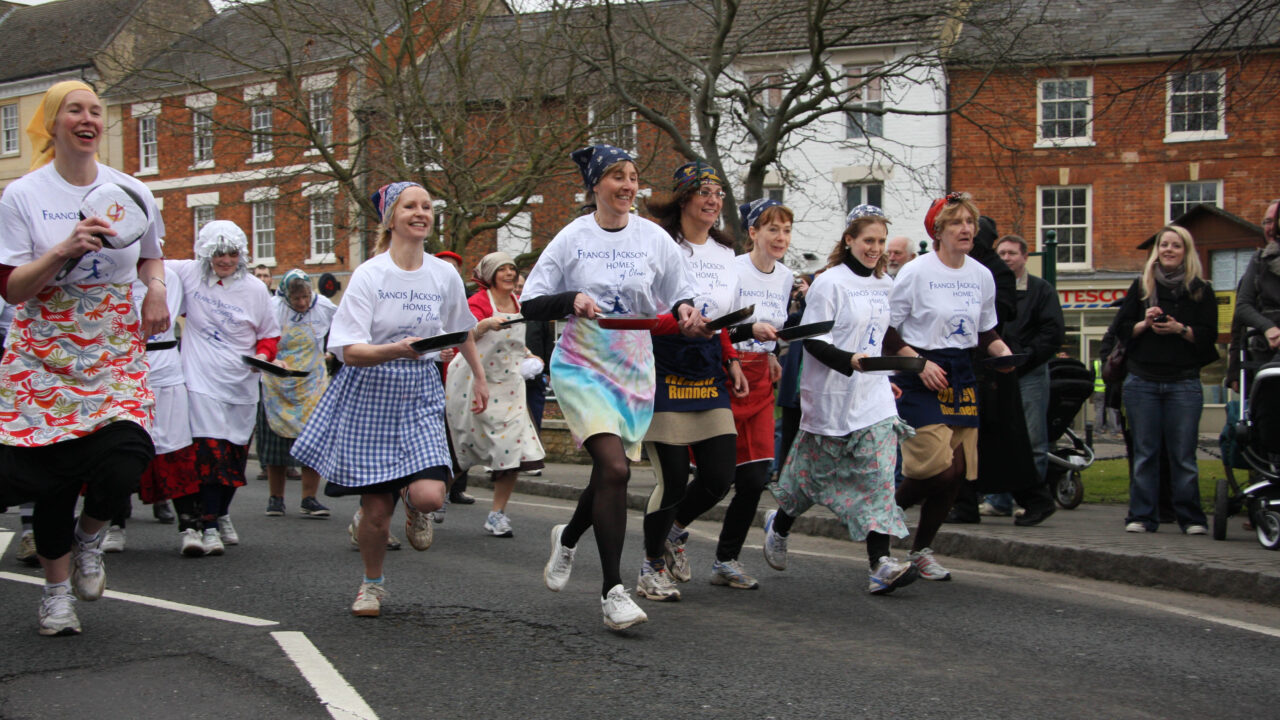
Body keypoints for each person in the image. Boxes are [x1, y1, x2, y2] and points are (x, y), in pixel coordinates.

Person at [0, 80, 167, 635]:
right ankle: (54, 595)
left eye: (96, 110)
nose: (89, 118)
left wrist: (159, 291)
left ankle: (91, 537)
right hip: (44, 347)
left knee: (128, 453)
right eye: (75, 110)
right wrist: (63, 249)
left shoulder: (129, 189)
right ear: (53, 122)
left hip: (111, 341)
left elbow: (150, 258)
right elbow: (13, 289)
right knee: (53, 481)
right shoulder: (23, 195)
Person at [521, 144, 702, 630]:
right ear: (595, 186)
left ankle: (568, 537)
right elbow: (530, 302)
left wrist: (684, 310)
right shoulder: (571, 238)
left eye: (633, 176)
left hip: (634, 367)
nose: (627, 185)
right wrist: (571, 298)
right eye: (616, 176)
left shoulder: (653, 238)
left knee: (608, 473)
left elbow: (679, 292)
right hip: (583, 363)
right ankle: (612, 591)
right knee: (616, 469)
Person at [291, 182, 488, 617]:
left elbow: (461, 328)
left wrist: (478, 376)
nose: (421, 213)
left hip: (419, 387)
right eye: (410, 207)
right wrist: (398, 348)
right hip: (372, 387)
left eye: (426, 207)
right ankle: (372, 584)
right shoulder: (370, 275)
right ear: (391, 218)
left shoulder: (442, 273)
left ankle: (414, 505)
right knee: (376, 511)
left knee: (431, 496)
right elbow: (348, 350)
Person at [762, 204, 918, 595]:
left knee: (880, 478)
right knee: (806, 482)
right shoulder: (830, 283)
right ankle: (779, 525)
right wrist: (849, 361)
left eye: (881, 242)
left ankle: (880, 565)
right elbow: (813, 340)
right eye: (868, 240)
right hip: (831, 396)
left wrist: (886, 375)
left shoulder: (886, 286)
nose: (876, 248)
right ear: (849, 240)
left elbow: (879, 337)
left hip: (874, 399)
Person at [630, 162, 748, 600]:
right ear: (683, 198)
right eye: (704, 191)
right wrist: (678, 323)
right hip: (663, 366)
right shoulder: (660, 245)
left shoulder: (725, 254)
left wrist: (732, 357)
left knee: (719, 475)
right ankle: (650, 565)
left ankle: (675, 533)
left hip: (708, 369)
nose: (713, 200)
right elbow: (641, 307)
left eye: (718, 192)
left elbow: (724, 319)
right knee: (675, 479)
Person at [885, 192, 1014, 582]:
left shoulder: (980, 274)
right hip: (919, 371)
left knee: (956, 472)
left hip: (961, 372)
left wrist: (1001, 349)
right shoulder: (916, 272)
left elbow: (984, 328)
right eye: (957, 222)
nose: (966, 229)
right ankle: (880, 515)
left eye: (970, 222)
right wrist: (918, 363)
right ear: (937, 231)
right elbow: (887, 330)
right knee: (937, 468)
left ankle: (922, 550)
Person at [167, 221, 282, 556]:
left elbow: (269, 334)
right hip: (199, 380)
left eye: (231, 253)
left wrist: (263, 356)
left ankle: (219, 512)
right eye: (218, 254)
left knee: (232, 458)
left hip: (241, 384)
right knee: (208, 454)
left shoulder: (255, 290)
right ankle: (209, 526)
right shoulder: (189, 274)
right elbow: (149, 262)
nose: (225, 260)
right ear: (206, 253)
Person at [1115, 225, 1218, 534]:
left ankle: (1191, 518)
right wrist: (1143, 324)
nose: (1169, 250)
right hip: (1142, 381)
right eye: (1164, 245)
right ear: (1156, 251)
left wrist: (1180, 330)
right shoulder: (1142, 287)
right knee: (1145, 453)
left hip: (1182, 383)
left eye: (1176, 245)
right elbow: (1120, 331)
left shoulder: (1201, 290)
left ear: (1187, 252)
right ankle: (1142, 515)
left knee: (1183, 455)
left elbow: (1208, 337)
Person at [445, 251, 546, 538]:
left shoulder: (519, 303)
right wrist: (484, 324)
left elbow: (516, 342)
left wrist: (530, 356)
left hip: (510, 386)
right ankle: (436, 499)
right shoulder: (476, 302)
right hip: (473, 383)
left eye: (512, 269)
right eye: (502, 269)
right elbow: (461, 336)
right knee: (463, 447)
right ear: (490, 275)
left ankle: (497, 514)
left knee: (511, 449)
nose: (509, 274)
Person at [980, 234, 1065, 526]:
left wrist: (1025, 357)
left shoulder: (1042, 291)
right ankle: (999, 500)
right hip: (997, 370)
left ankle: (1030, 500)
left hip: (1029, 372)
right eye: (1001, 252)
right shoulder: (991, 285)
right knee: (1002, 436)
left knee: (1032, 439)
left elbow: (1052, 333)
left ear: (1025, 256)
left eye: (1012, 253)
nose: (1005, 257)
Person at [260, 270, 338, 518]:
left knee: (312, 442)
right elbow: (262, 339)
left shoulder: (324, 306)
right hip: (278, 383)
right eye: (296, 300)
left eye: (305, 297)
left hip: (312, 383)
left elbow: (343, 330)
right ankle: (276, 499)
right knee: (276, 446)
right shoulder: (272, 308)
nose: (303, 303)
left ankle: (310, 498)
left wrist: (334, 352)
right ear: (285, 297)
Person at [435, 248, 476, 506]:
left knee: (460, 432)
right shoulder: (428, 296)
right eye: (445, 266)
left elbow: (467, 333)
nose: (450, 272)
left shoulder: (464, 298)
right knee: (441, 436)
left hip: (461, 376)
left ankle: (457, 488)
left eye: (454, 267)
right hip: (434, 376)